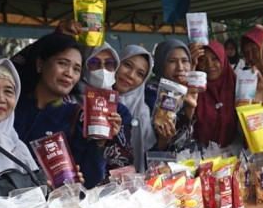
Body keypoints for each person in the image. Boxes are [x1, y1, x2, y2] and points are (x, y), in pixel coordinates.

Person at [12, 33, 113, 188]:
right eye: (62, 63)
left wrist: (99, 143)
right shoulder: (12, 106)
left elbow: (90, 179)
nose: (69, 74)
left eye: (76, 69)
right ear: (40, 64)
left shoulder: (76, 116)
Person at [79, 43, 131, 174]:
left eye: (109, 63)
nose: (102, 69)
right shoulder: (68, 104)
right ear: (83, 66)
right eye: (94, 62)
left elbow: (126, 159)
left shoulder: (120, 110)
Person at [144, 39, 199, 153]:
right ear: (161, 63)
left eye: (185, 61)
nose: (180, 67)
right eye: (172, 61)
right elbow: (166, 137)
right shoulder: (153, 92)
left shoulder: (185, 90)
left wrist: (190, 108)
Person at [114, 44, 154, 172]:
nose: (131, 75)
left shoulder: (143, 111)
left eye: (140, 74)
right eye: (127, 65)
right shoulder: (95, 100)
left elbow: (149, 151)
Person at [194, 41, 237, 148]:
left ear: (223, 60)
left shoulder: (238, 87)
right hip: (197, 157)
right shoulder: (194, 90)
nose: (209, 65)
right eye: (203, 60)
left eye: (215, 58)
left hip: (236, 156)